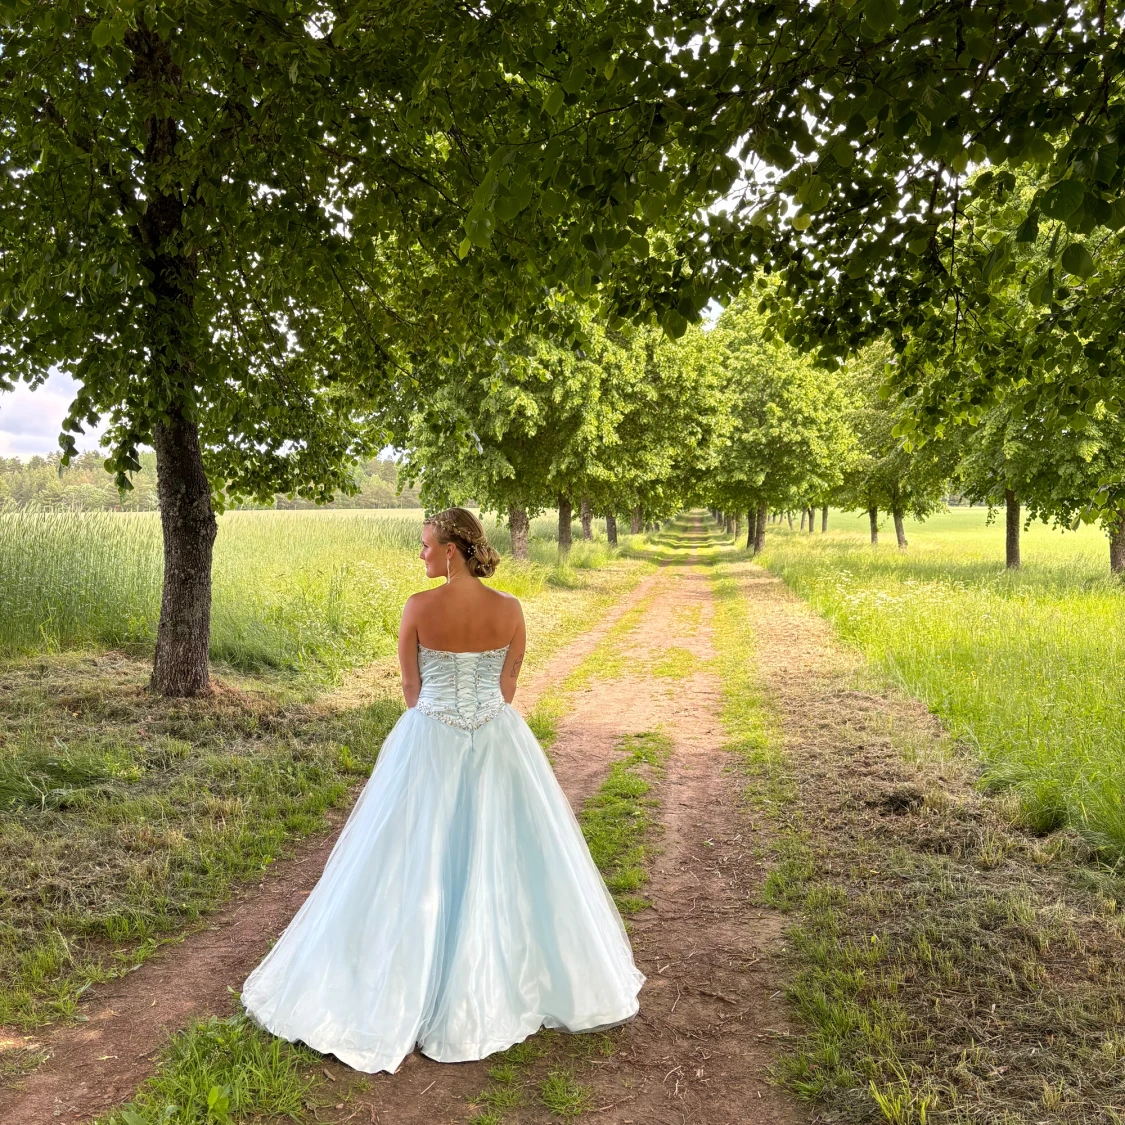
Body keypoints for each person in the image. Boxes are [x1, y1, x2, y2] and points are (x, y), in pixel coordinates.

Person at [242, 507, 643, 1074]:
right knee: (504, 851)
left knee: (412, 854)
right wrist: (476, 717)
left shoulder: (418, 608)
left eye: (427, 545)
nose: (422, 554)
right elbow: (507, 688)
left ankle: (404, 978)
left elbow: (411, 691)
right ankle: (507, 979)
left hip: (429, 738)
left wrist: (443, 718)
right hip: (498, 740)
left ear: (451, 549)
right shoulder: (511, 610)